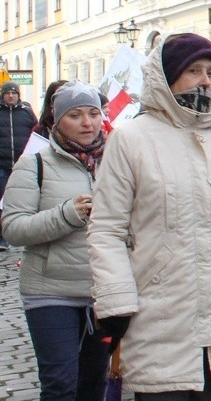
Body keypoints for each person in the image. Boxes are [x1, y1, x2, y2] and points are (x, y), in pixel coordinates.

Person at [87, 33, 211, 400]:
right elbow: (107, 229)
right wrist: (116, 303)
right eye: (193, 71)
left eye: (210, 71)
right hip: (160, 317)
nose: (205, 80)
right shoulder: (130, 138)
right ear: (168, 75)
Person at [2, 81, 109, 401]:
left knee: (94, 385)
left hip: (102, 292)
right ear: (55, 120)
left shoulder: (116, 163)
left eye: (93, 113)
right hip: (51, 293)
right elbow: (12, 227)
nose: (87, 123)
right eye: (75, 115)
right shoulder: (34, 163)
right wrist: (66, 215)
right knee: (61, 384)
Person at [0, 80, 37, 251]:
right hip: (2, 164)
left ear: (18, 95)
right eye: (7, 93)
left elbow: (37, 134)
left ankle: (26, 233)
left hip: (23, 165)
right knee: (2, 201)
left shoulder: (27, 113)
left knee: (25, 200)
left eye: (13, 93)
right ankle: (2, 237)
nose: (10, 95)